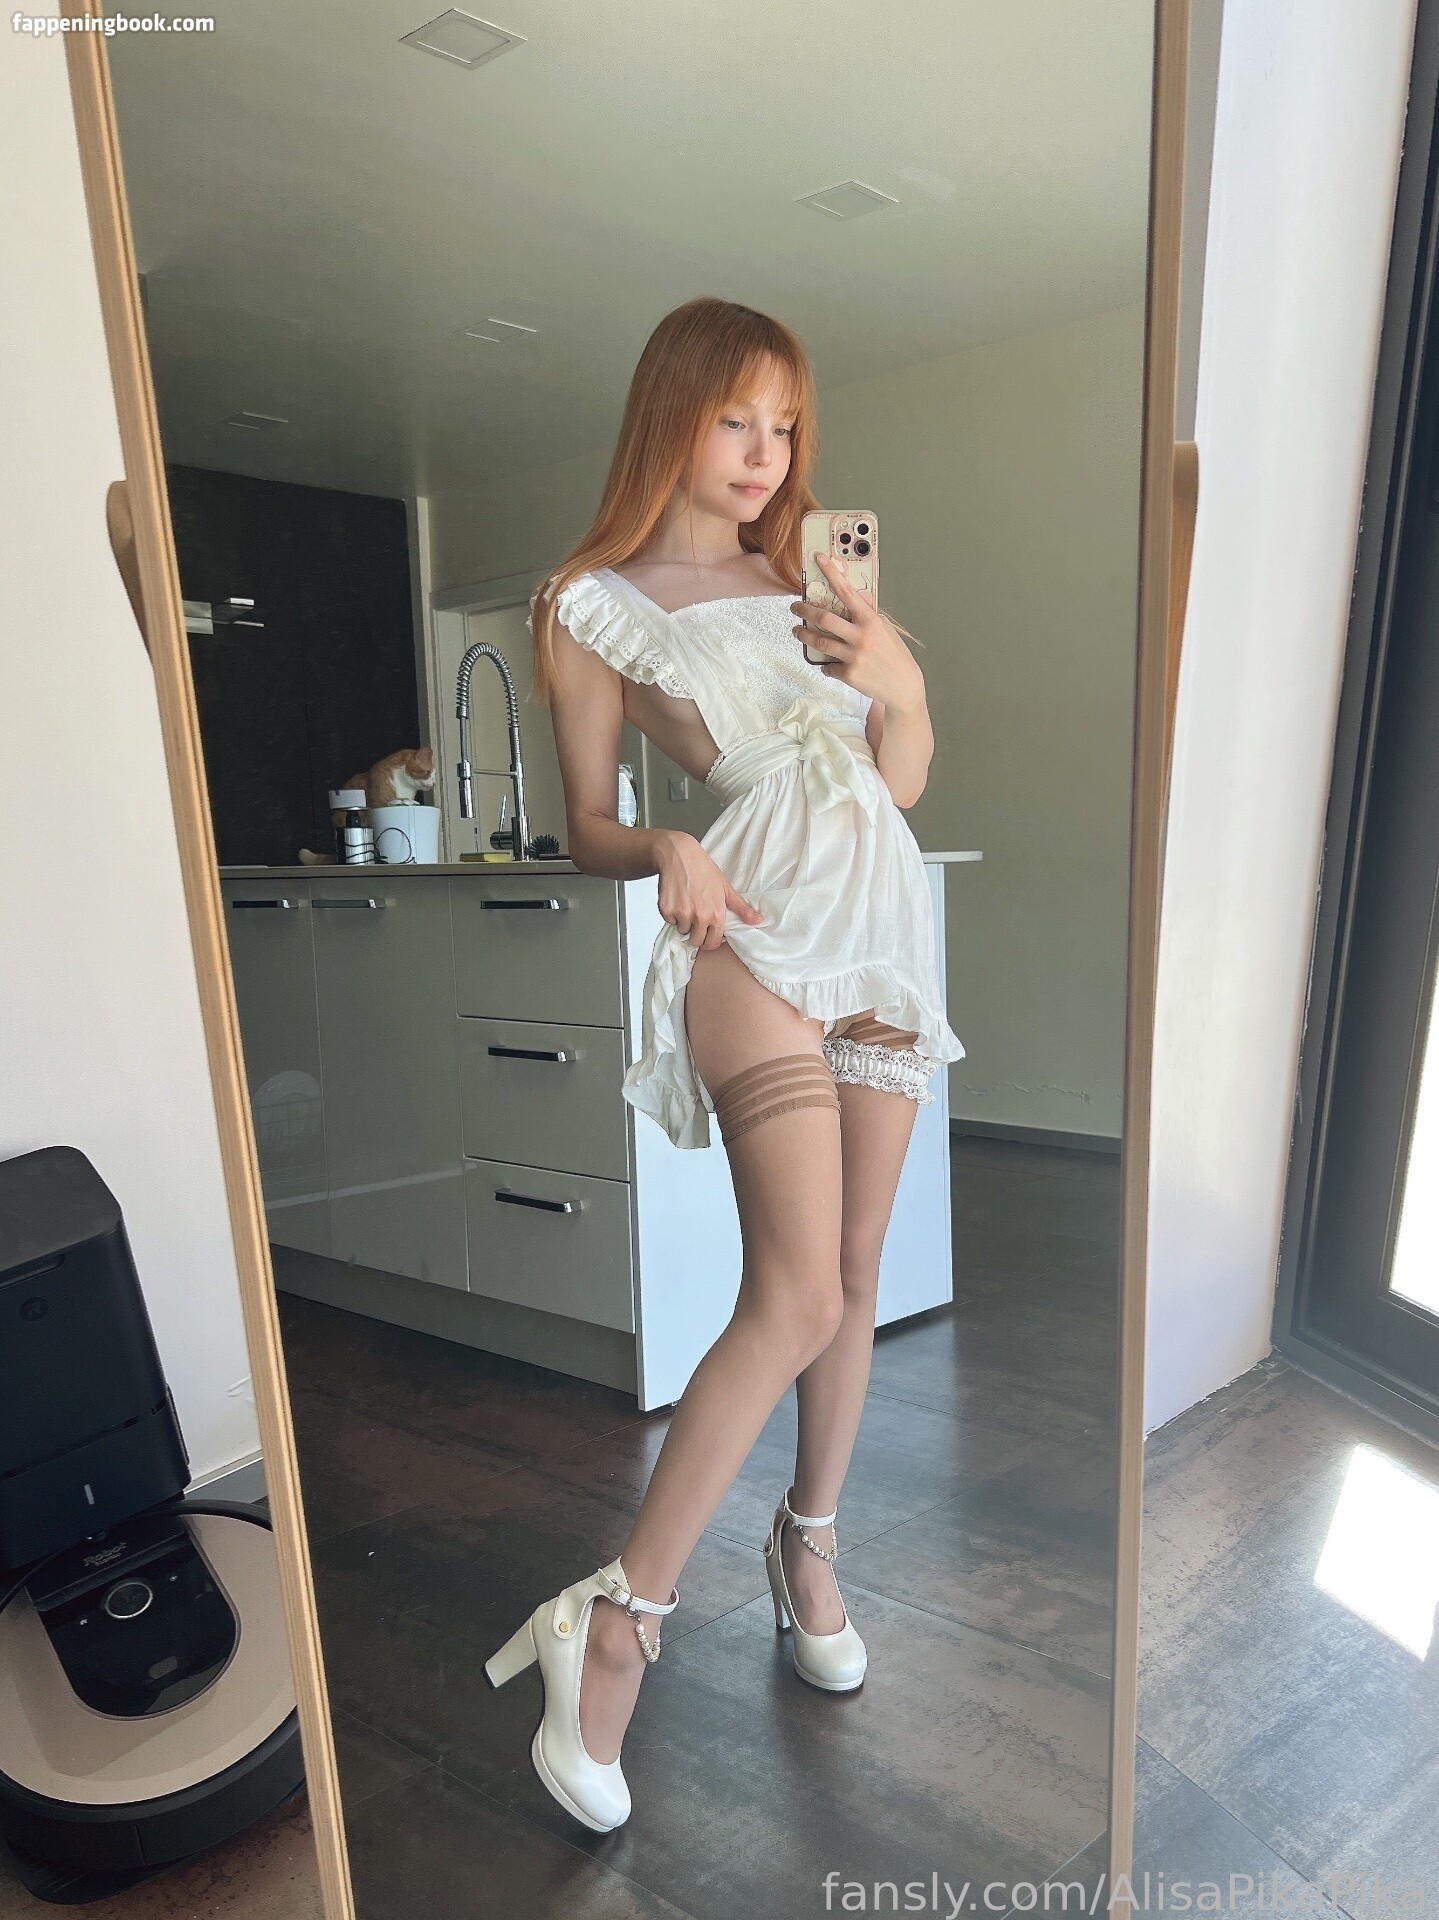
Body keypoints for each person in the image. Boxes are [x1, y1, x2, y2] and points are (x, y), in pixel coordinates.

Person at [483, 295, 965, 1832]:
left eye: (784, 424)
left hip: (878, 936)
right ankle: (616, 1623)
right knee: (797, 1290)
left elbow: (896, 780)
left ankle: (806, 1546)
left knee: (859, 1266)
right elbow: (586, 823)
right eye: (734, 418)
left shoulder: (816, 581)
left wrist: (898, 675)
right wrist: (664, 846)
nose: (765, 453)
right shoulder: (592, 601)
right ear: (672, 413)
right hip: (752, 933)